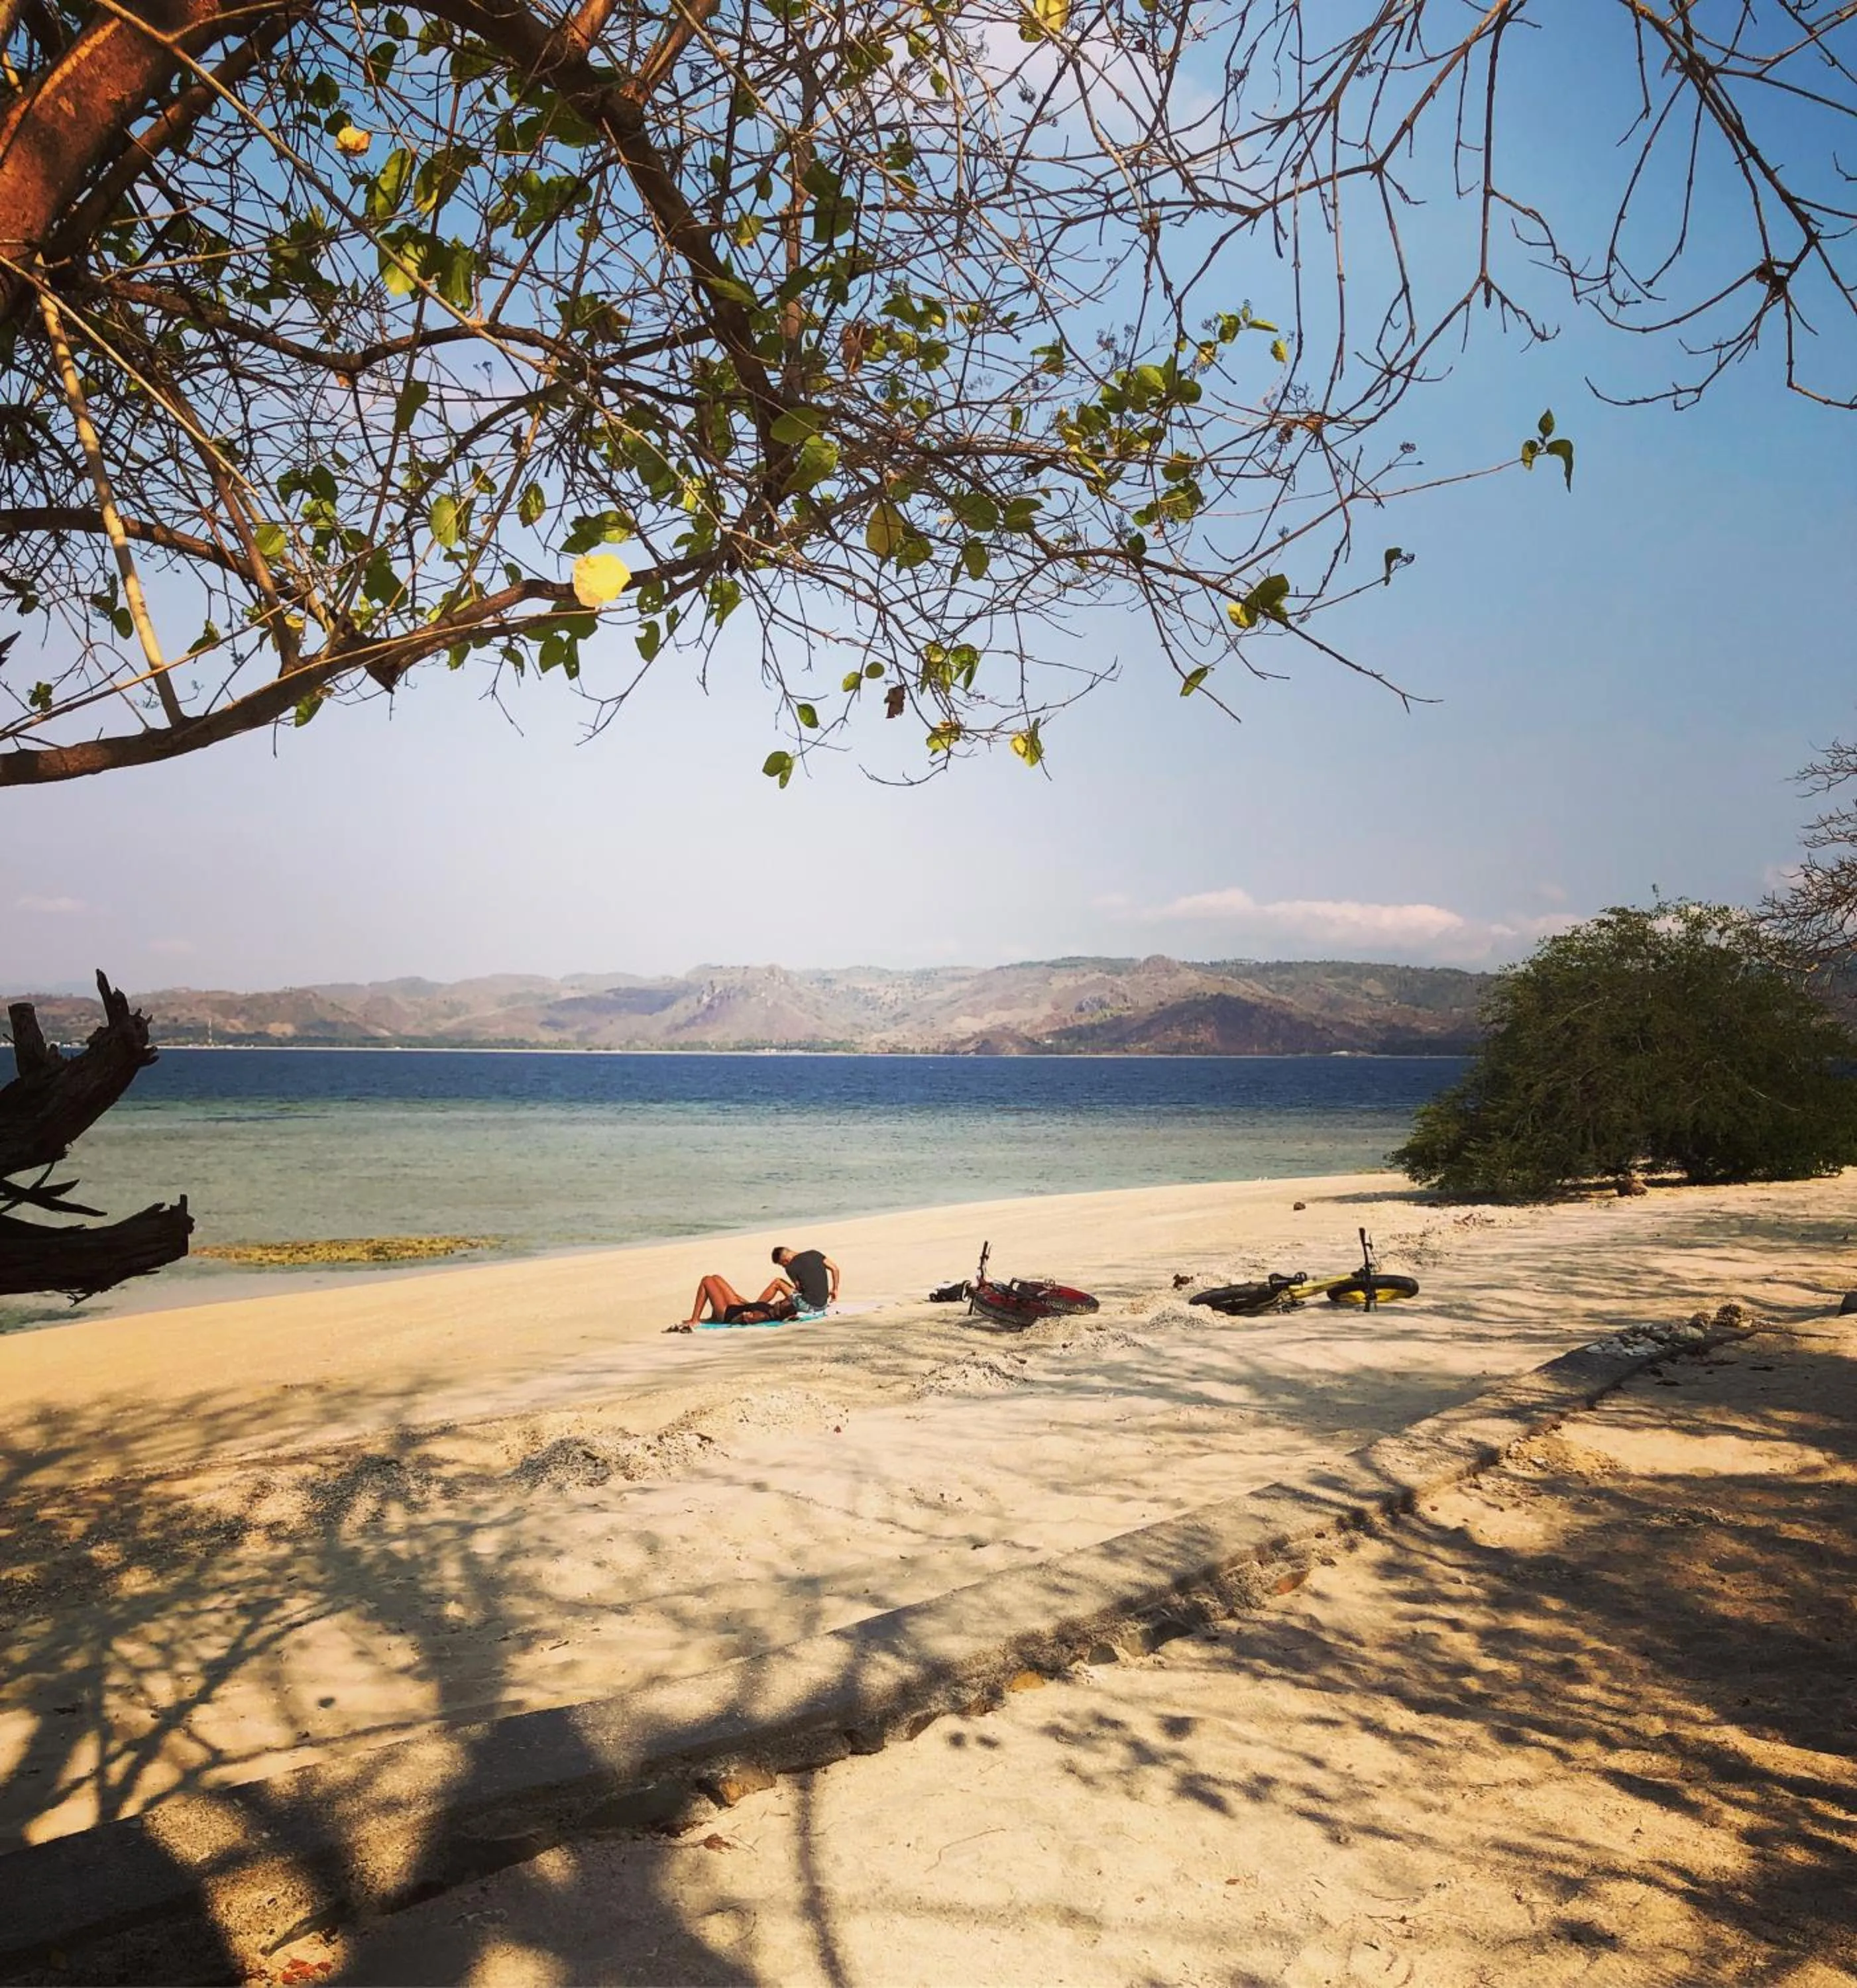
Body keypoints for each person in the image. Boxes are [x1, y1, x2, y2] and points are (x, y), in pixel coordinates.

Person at [665, 1243, 840, 1333]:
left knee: (707, 1281)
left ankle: (695, 1319)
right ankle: (708, 1318)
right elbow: (835, 1268)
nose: (784, 1301)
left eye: (784, 1303)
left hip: (727, 1313)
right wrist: (748, 1303)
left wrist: (746, 1316)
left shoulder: (767, 1313)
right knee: (716, 1278)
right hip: (738, 1305)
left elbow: (748, 1318)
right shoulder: (772, 1308)